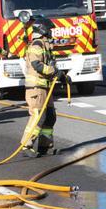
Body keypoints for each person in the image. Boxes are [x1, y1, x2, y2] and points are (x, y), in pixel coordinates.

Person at [21, 17, 66, 157]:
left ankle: (44, 146)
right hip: (36, 87)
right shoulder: (36, 45)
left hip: (45, 87)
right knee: (38, 116)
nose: (51, 33)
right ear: (42, 30)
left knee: (50, 116)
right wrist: (54, 72)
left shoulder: (46, 46)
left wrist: (63, 77)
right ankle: (26, 146)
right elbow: (37, 65)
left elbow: (51, 66)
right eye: (49, 30)